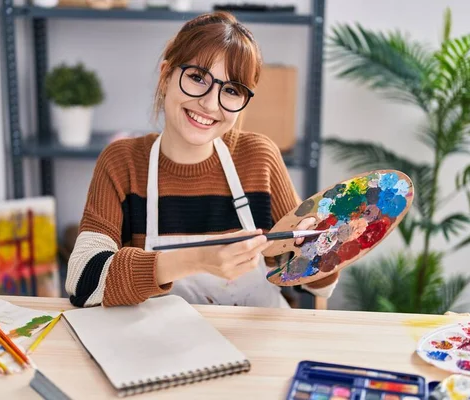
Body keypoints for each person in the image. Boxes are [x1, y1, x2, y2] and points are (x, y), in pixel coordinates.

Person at [65, 11, 340, 308]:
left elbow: (320, 287)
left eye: (232, 90)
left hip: (256, 344)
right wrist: (196, 259)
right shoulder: (122, 162)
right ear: (166, 75)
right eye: (197, 77)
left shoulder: (260, 157)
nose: (210, 104)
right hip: (158, 348)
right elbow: (82, 282)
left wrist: (320, 248)